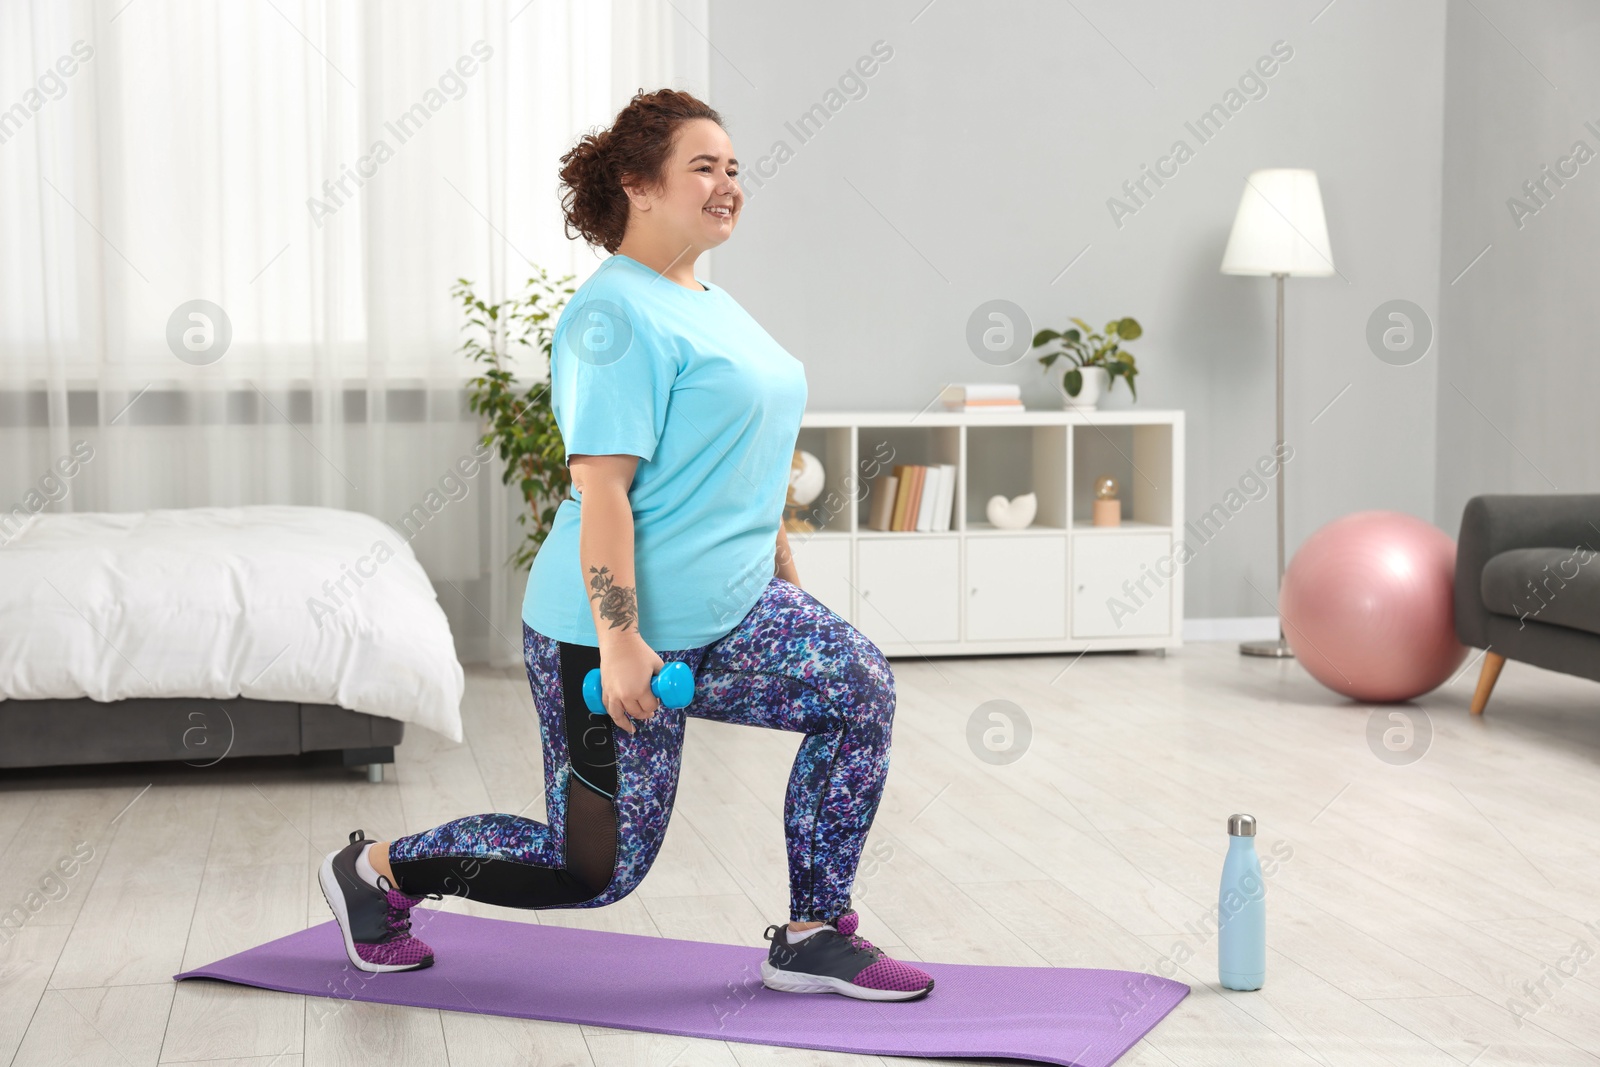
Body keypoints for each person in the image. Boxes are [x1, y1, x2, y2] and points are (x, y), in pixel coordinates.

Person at [319, 88, 933, 1002]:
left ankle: (813, 932)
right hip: (605, 628)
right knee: (593, 869)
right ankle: (375, 872)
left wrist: (785, 572)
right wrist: (618, 640)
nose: (728, 184)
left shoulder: (706, 295)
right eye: (704, 166)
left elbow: (737, 456)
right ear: (638, 185)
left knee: (858, 690)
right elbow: (601, 488)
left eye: (734, 168)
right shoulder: (613, 317)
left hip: (730, 606)